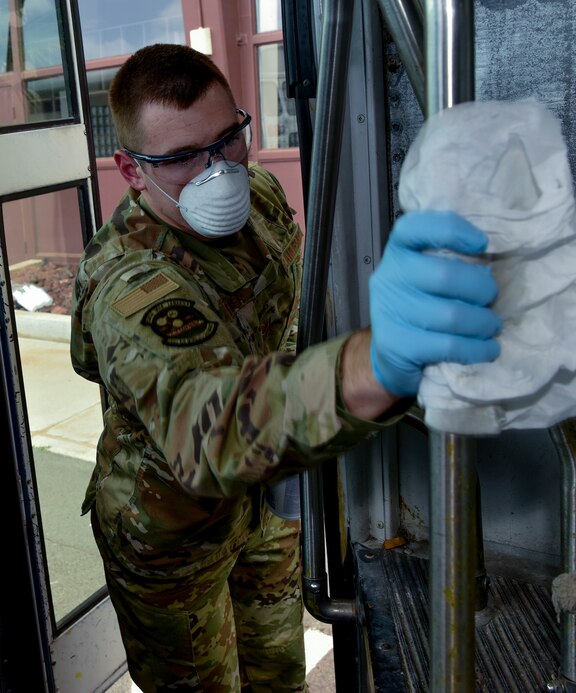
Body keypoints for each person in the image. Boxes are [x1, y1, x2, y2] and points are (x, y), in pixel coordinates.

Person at [69, 44, 501, 692]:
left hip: (266, 499)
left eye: (229, 140)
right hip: (172, 533)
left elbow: (294, 310)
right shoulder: (131, 282)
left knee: (278, 675)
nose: (219, 171)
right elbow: (202, 427)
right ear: (131, 170)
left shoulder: (260, 200)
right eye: (183, 157)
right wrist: (371, 364)